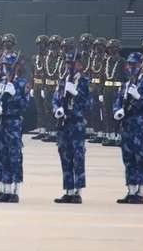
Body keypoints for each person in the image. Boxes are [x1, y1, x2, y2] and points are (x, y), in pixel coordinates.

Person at [0, 53, 28, 203]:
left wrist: (12, 98)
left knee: (13, 156)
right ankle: (0, 187)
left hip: (11, 123)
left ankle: (14, 191)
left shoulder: (20, 83)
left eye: (8, 66)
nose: (5, 69)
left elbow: (23, 105)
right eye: (3, 66)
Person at [113, 52, 143, 204]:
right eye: (129, 64)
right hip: (127, 127)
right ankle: (131, 190)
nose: (131, 67)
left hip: (140, 128)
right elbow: (117, 102)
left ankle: (140, 193)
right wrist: (117, 111)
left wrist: (139, 97)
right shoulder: (126, 84)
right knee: (128, 160)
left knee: (141, 159)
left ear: (140, 65)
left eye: (134, 65)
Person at [53, 52, 90, 204]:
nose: (69, 66)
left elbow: (89, 104)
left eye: (72, 63)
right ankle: (68, 190)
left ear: (79, 65)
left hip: (77, 123)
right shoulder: (63, 80)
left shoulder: (84, 81)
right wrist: (57, 109)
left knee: (78, 157)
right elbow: (55, 98)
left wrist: (76, 93)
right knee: (65, 156)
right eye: (67, 63)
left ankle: (77, 191)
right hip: (64, 123)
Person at [102, 39, 126, 147]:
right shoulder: (105, 61)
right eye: (110, 48)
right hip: (107, 90)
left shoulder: (122, 61)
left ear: (118, 49)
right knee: (107, 113)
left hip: (118, 90)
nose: (111, 50)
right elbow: (102, 78)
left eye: (114, 48)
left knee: (118, 114)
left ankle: (119, 136)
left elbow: (126, 77)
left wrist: (124, 92)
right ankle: (110, 136)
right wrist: (101, 93)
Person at [31, 35, 49, 140]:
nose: (40, 47)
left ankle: (49, 129)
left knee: (47, 108)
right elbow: (33, 73)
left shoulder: (48, 58)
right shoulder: (35, 57)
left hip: (46, 85)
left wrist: (43, 87)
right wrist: (33, 86)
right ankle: (41, 129)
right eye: (38, 45)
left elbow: (48, 74)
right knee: (39, 109)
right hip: (36, 84)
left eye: (42, 45)